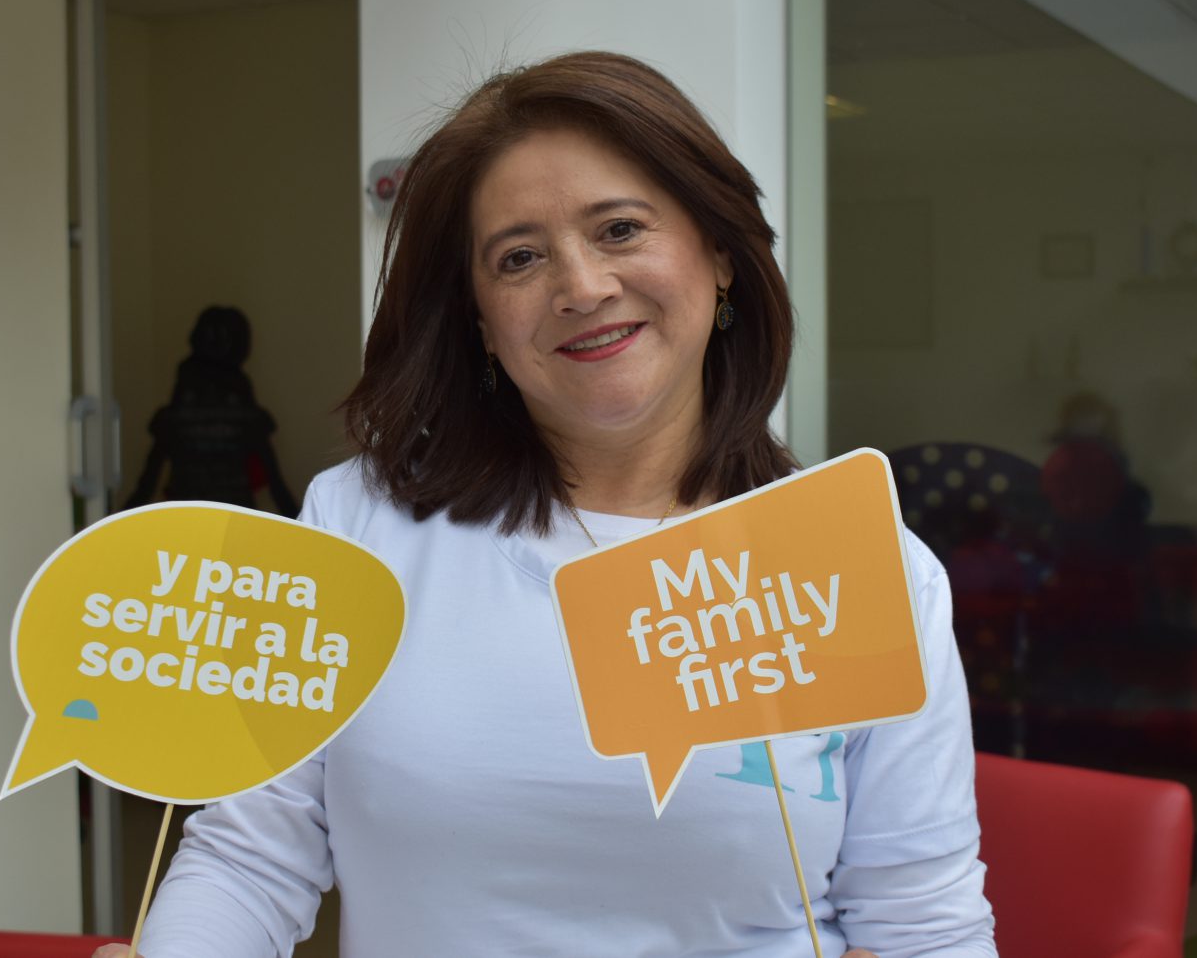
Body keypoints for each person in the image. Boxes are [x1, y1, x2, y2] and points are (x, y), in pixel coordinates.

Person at [98, 51, 994, 958]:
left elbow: (927, 928)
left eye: (620, 229)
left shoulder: (863, 566)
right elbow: (250, 859)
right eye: (519, 257)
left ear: (720, 253)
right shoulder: (355, 528)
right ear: (481, 320)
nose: (583, 287)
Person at [123, 305, 298, 516]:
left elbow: (145, 488)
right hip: (234, 521)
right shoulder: (247, 414)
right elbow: (277, 488)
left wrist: (109, 528)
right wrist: (304, 529)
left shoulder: (174, 416)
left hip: (187, 520)